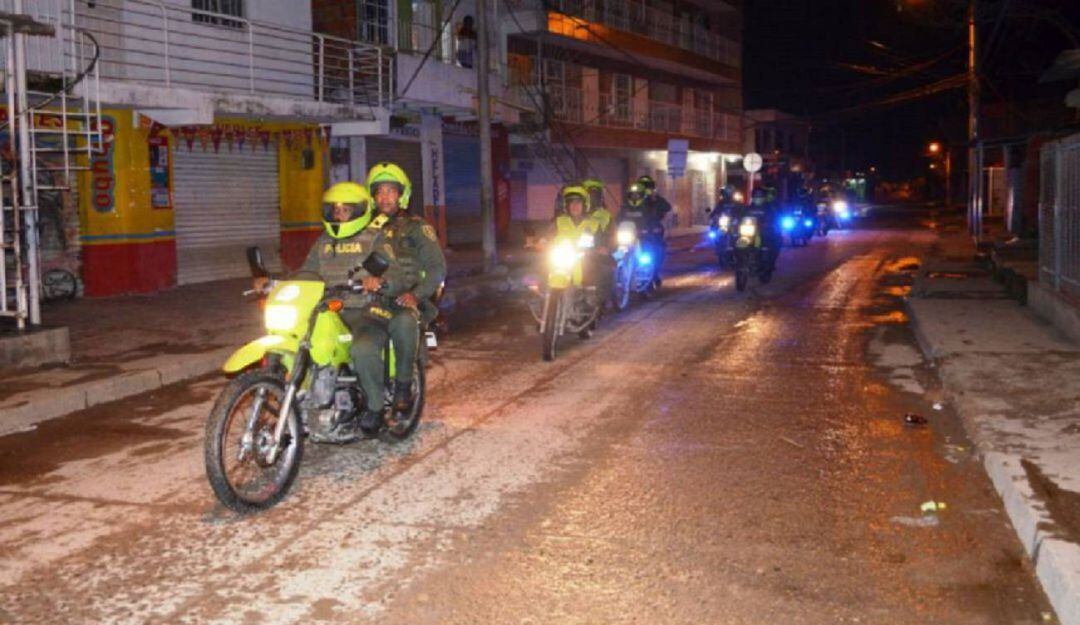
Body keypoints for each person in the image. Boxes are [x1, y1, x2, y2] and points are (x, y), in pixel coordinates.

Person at [296, 181, 410, 436]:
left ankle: (375, 407)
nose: (338, 215)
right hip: (329, 308)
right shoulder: (324, 241)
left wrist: (379, 281)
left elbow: (398, 275)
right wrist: (279, 282)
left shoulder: (375, 239)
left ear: (359, 211)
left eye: (345, 210)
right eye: (334, 210)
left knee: (363, 348)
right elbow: (307, 271)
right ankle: (297, 398)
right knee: (298, 340)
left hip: (365, 309)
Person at [365, 162, 447, 415]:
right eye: (379, 192)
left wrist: (416, 294)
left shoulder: (417, 227)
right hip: (372, 298)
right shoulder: (364, 227)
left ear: (402, 195)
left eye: (390, 191)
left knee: (403, 322)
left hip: (406, 298)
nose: (384, 197)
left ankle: (402, 386)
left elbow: (437, 268)